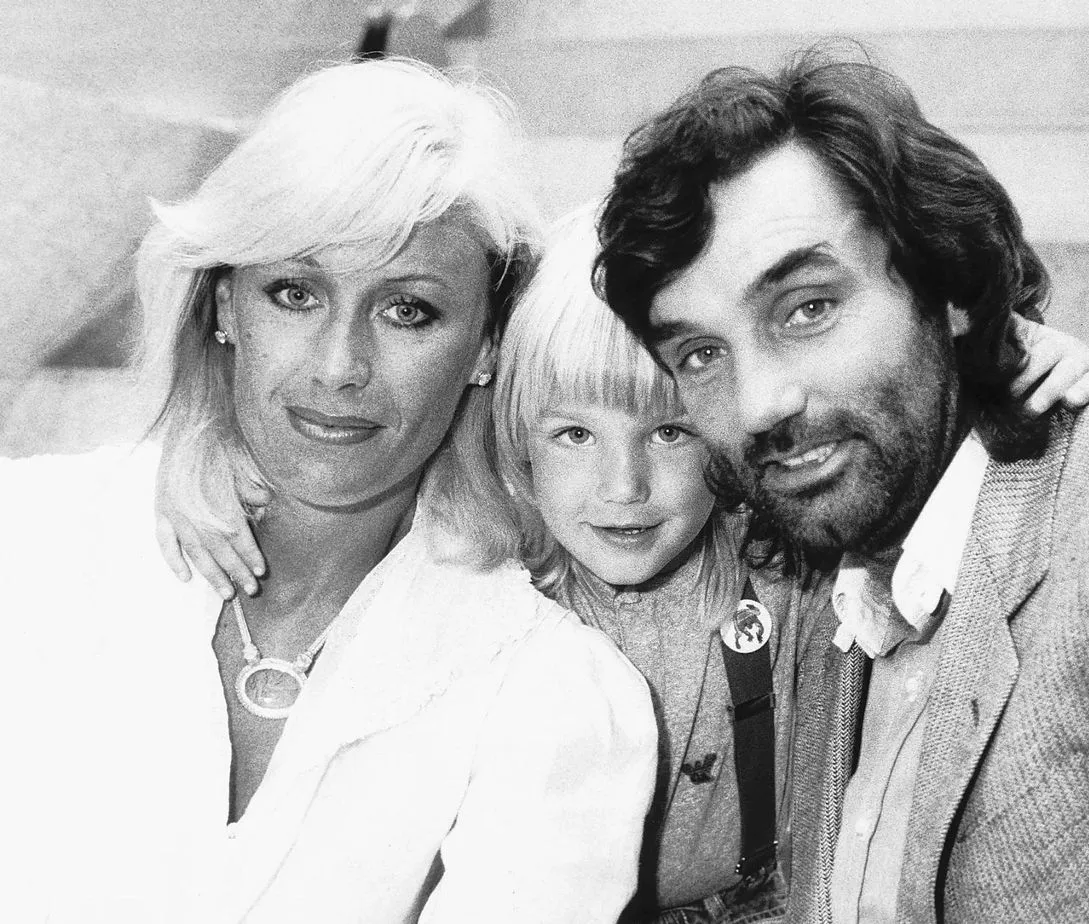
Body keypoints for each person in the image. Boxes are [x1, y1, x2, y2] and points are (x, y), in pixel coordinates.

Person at [159, 201, 1089, 923]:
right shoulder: (485, 573)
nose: (622, 490)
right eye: (573, 434)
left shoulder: (781, 565)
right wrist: (204, 453)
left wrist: (1017, 378)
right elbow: (330, 457)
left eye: (670, 434)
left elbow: (924, 479)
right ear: (510, 434)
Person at [0, 59, 658, 923]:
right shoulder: (31, 544)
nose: (340, 367)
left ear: (488, 347)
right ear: (224, 305)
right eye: (295, 293)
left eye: (407, 311)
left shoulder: (549, 693)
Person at [594, 47, 1089, 923]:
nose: (760, 404)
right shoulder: (829, 616)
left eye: (808, 307)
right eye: (700, 353)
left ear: (947, 284)